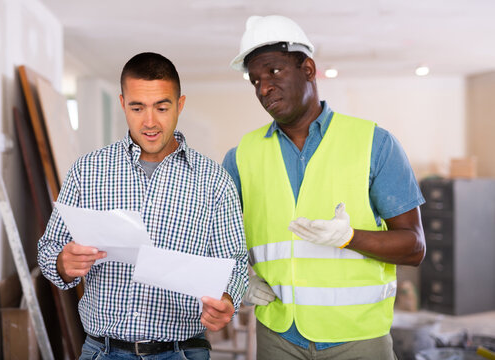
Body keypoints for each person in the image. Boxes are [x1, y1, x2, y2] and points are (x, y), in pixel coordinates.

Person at [223, 15, 426, 359]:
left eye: (273, 72)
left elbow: (414, 247)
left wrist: (350, 238)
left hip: (359, 338)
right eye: (255, 80)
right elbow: (212, 235)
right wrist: (236, 278)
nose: (263, 88)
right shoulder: (242, 155)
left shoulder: (374, 144)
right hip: (278, 336)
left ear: (308, 68)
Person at [38, 52, 248, 360]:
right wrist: (62, 264)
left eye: (162, 107)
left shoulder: (215, 181)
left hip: (181, 352)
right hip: (102, 351)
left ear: (180, 104)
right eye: (137, 108)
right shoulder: (88, 170)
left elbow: (235, 262)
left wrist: (227, 299)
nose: (149, 122)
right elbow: (49, 248)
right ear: (123, 104)